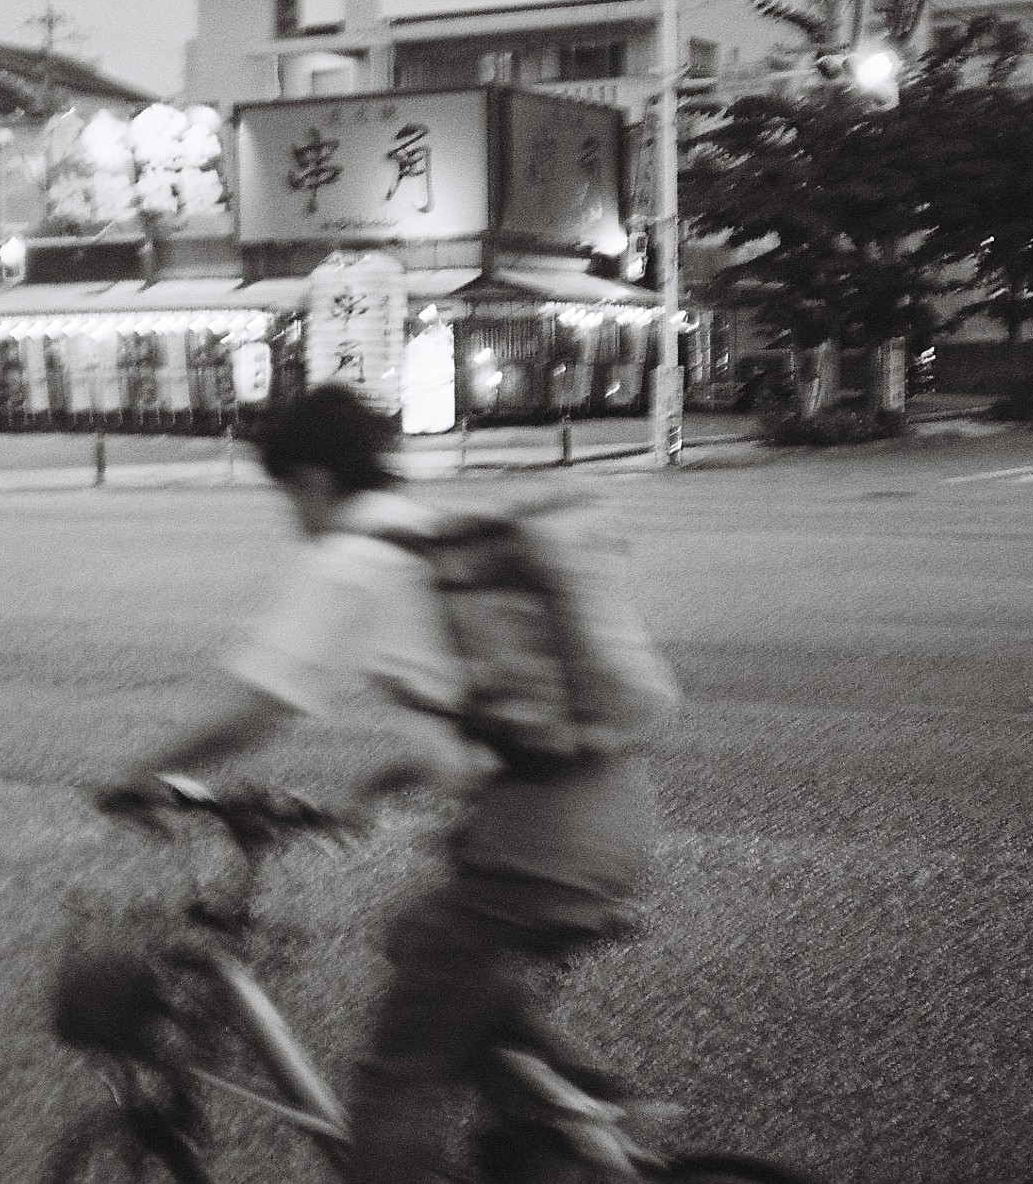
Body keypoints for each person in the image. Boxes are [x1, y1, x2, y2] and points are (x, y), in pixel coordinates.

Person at [100, 382, 681, 1184]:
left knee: (392, 1084)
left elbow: (251, 711)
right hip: (611, 810)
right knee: (417, 939)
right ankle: (586, 1112)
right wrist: (379, 783)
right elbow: (481, 713)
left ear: (310, 480)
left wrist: (138, 776)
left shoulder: (350, 558)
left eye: (285, 497)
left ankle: (580, 1119)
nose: (290, 518)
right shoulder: (429, 541)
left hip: (534, 846)